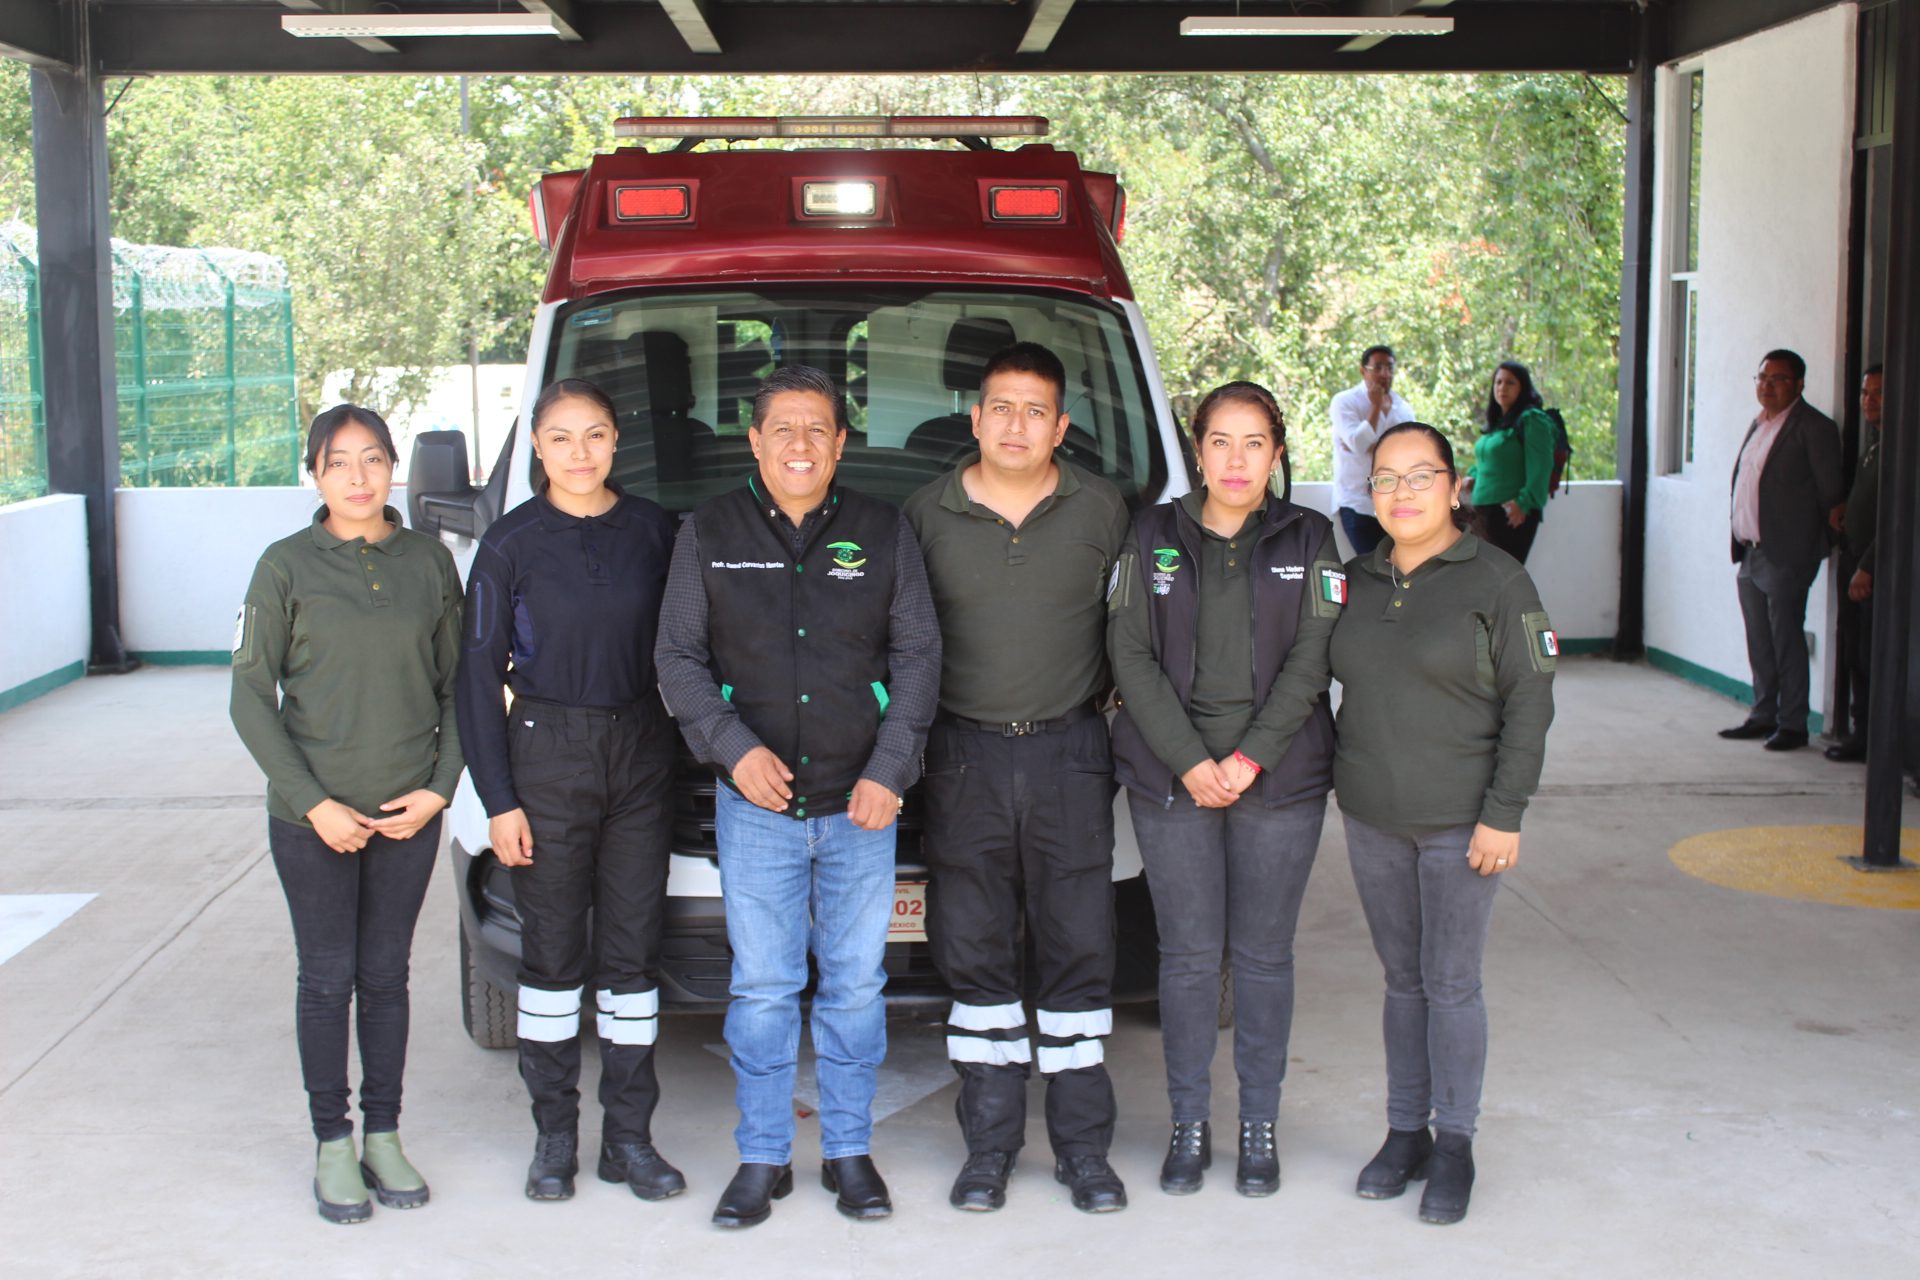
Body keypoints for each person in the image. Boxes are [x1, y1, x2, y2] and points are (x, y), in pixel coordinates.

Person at [654, 365, 940, 1230]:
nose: (801, 445)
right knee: (766, 989)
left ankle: (849, 1153)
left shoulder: (885, 533)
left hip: (860, 807)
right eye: (783, 428)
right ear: (754, 440)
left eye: (818, 429)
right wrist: (734, 752)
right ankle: (763, 1156)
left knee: (855, 988)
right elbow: (676, 659)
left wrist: (890, 770)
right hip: (759, 811)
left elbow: (919, 657)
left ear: (842, 442)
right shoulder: (707, 531)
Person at [903, 341, 1134, 1215]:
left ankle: (1084, 1152)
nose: (1016, 424)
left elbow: (1133, 635)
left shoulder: (1101, 510)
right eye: (1001, 406)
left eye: (1036, 410)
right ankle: (990, 1150)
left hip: (1070, 754)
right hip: (961, 756)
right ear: (975, 417)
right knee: (975, 952)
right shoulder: (925, 514)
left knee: (1080, 949)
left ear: (1061, 426)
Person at [230, 404, 464, 1224]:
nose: (358, 476)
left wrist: (438, 790)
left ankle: (386, 1135)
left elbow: (457, 687)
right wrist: (313, 803)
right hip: (313, 819)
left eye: (372, 459)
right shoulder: (284, 566)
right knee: (327, 979)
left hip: (409, 811)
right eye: (339, 462)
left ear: (394, 467)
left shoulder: (430, 563)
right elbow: (251, 699)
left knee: (387, 975)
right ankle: (333, 1141)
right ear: (316, 475)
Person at [1106, 381, 1340, 1198]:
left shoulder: (1313, 537)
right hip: (1172, 783)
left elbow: (1313, 662)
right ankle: (1189, 1122)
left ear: (1277, 454)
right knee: (1190, 957)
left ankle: (1258, 1125)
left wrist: (1247, 760)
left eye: (1254, 444)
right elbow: (1128, 653)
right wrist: (1189, 759)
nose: (1236, 460)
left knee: (1265, 958)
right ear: (1196, 449)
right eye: (1220, 442)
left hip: (1282, 782)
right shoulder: (1151, 534)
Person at [454, 379, 685, 1204]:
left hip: (641, 754)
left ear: (616, 442)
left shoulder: (655, 531)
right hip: (545, 756)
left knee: (633, 959)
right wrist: (500, 799)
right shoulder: (509, 545)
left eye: (594, 436)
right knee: (552, 966)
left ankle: (630, 1138)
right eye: (561, 438)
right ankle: (555, 1138)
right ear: (536, 449)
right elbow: (475, 682)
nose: (579, 453)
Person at [1330, 421, 1556, 1226]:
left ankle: (1454, 1142)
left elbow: (1532, 702)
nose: (1400, 492)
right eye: (1384, 478)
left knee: (1451, 982)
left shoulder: (1498, 582)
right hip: (1372, 813)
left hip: (1463, 822)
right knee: (1402, 980)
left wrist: (1505, 814)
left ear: (1456, 485)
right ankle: (1405, 1132)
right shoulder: (1352, 576)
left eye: (1419, 475)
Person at [1718, 349, 1844, 752]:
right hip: (1750, 551)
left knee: (1786, 638)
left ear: (1799, 384)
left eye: (1778, 379)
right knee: (1760, 639)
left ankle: (1793, 723)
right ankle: (1763, 713)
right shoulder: (1759, 425)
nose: (1767, 386)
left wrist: (1808, 545)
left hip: (1787, 552)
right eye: (1762, 378)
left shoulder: (1814, 428)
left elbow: (1831, 495)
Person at [1826, 365, 1884, 763]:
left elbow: (1900, 517)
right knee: (1855, 652)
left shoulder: (1904, 445)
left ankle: (1880, 738)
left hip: (1876, 568)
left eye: (1880, 393)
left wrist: (1869, 565)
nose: (1869, 400)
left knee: (1873, 654)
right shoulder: (1874, 443)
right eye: (1866, 393)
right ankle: (1861, 733)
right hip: (1853, 558)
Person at [1330, 344, 1415, 558]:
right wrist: (1376, 408)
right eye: (1378, 368)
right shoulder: (1344, 402)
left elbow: (1412, 450)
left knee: (1398, 568)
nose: (1385, 374)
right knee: (1370, 569)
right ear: (1363, 371)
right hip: (1357, 503)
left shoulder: (1403, 408)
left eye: (1389, 368)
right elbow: (1358, 445)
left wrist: (1374, 447)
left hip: (1396, 503)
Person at [1466, 361, 1555, 564]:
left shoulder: (1533, 420)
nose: (1502, 388)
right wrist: (1474, 477)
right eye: (1498, 382)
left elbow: (1541, 467)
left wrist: (1524, 503)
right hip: (1483, 513)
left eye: (1510, 383)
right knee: (1482, 581)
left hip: (1510, 513)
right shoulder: (1498, 424)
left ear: (1522, 387)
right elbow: (1490, 463)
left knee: (1504, 581)